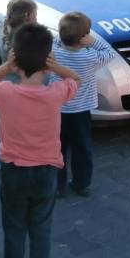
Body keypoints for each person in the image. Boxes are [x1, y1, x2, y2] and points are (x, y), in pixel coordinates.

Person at [0, 23, 80, 258]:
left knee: (13, 227)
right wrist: (56, 67)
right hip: (46, 172)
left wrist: (6, 66)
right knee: (41, 227)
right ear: (47, 61)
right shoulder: (56, 93)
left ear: (15, 57)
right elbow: (76, 79)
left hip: (13, 171)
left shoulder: (5, 93)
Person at [49, 11, 114, 197]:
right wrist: (93, 41)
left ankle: (57, 186)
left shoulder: (54, 54)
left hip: (57, 110)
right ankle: (81, 183)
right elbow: (109, 52)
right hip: (81, 112)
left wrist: (64, 37)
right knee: (82, 149)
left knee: (57, 149)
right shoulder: (89, 57)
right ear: (83, 38)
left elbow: (55, 41)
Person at [0, 0, 39, 172]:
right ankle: (9, 158)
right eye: (35, 14)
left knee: (9, 127)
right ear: (28, 15)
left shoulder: (9, 32)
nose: (36, 17)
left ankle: (0, 158)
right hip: (22, 91)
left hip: (7, 89)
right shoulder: (26, 38)